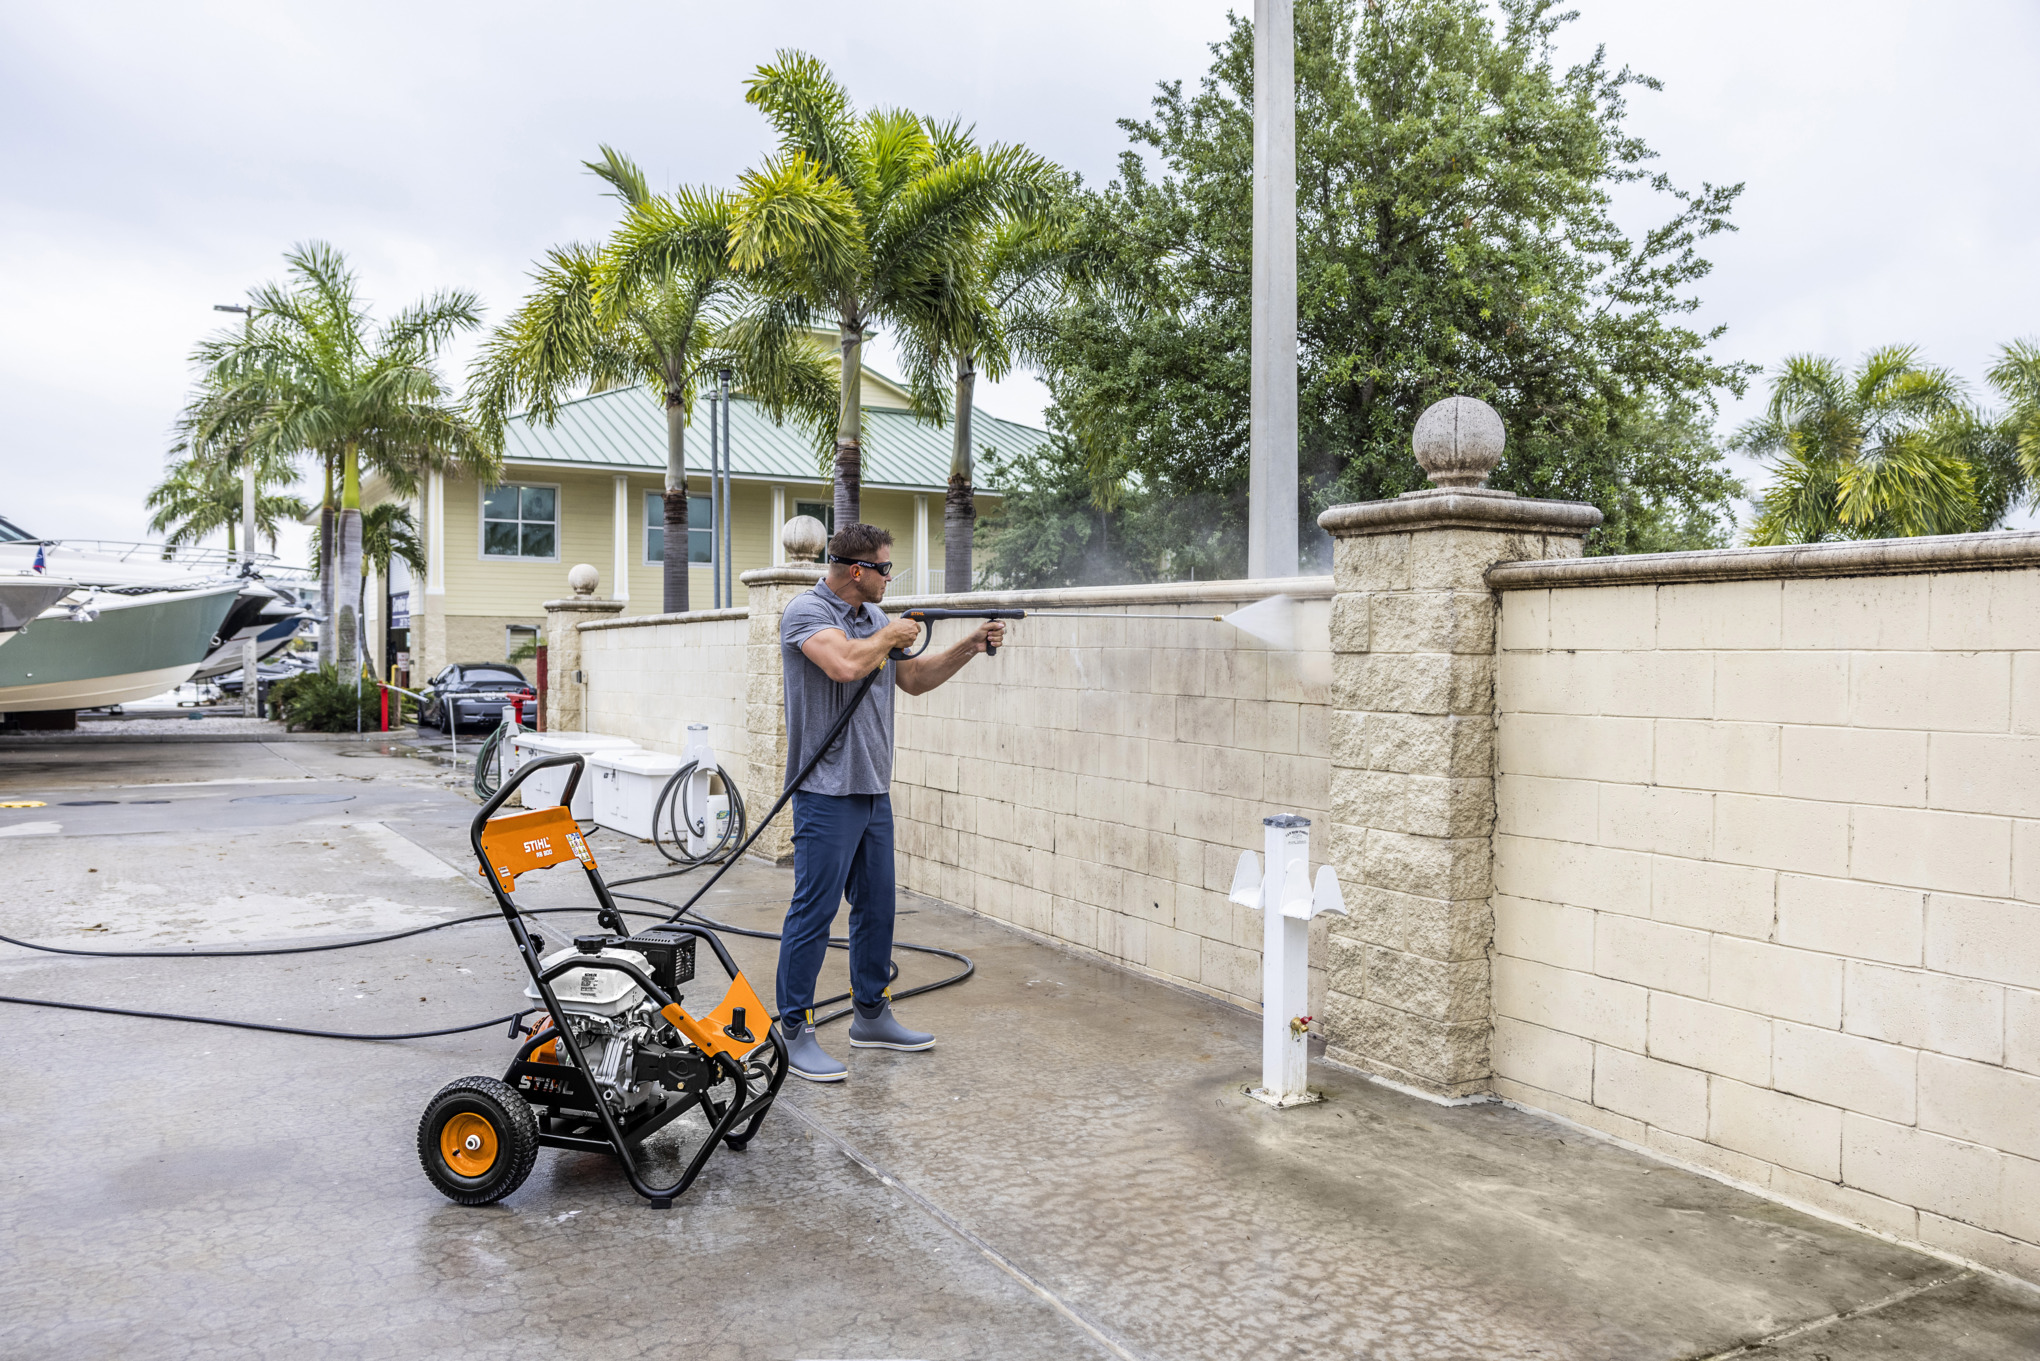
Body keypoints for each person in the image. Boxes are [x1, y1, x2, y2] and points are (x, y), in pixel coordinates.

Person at [773, 522, 1004, 1082]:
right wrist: (891, 636)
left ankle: (871, 1015)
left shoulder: (875, 620)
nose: (889, 578)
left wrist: (969, 646)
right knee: (815, 910)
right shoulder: (807, 613)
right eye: (884, 568)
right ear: (857, 571)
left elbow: (916, 679)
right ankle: (793, 1031)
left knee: (877, 909)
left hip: (873, 786)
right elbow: (845, 665)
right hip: (826, 790)